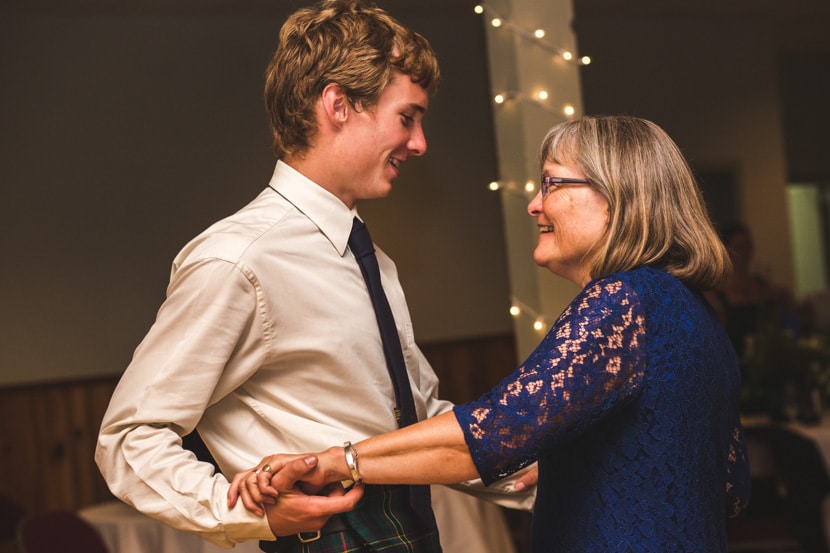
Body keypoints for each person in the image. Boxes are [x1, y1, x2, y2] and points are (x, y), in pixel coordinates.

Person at [95, 1, 533, 552]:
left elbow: (418, 421)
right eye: (407, 116)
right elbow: (128, 438)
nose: (420, 142)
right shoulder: (238, 259)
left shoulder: (370, 256)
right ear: (338, 105)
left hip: (413, 528)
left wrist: (529, 468)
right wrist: (252, 516)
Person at [233, 115, 752, 553]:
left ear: (618, 197)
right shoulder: (694, 310)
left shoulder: (621, 302)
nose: (534, 203)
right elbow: (729, 487)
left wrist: (336, 462)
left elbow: (489, 434)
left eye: (552, 183)